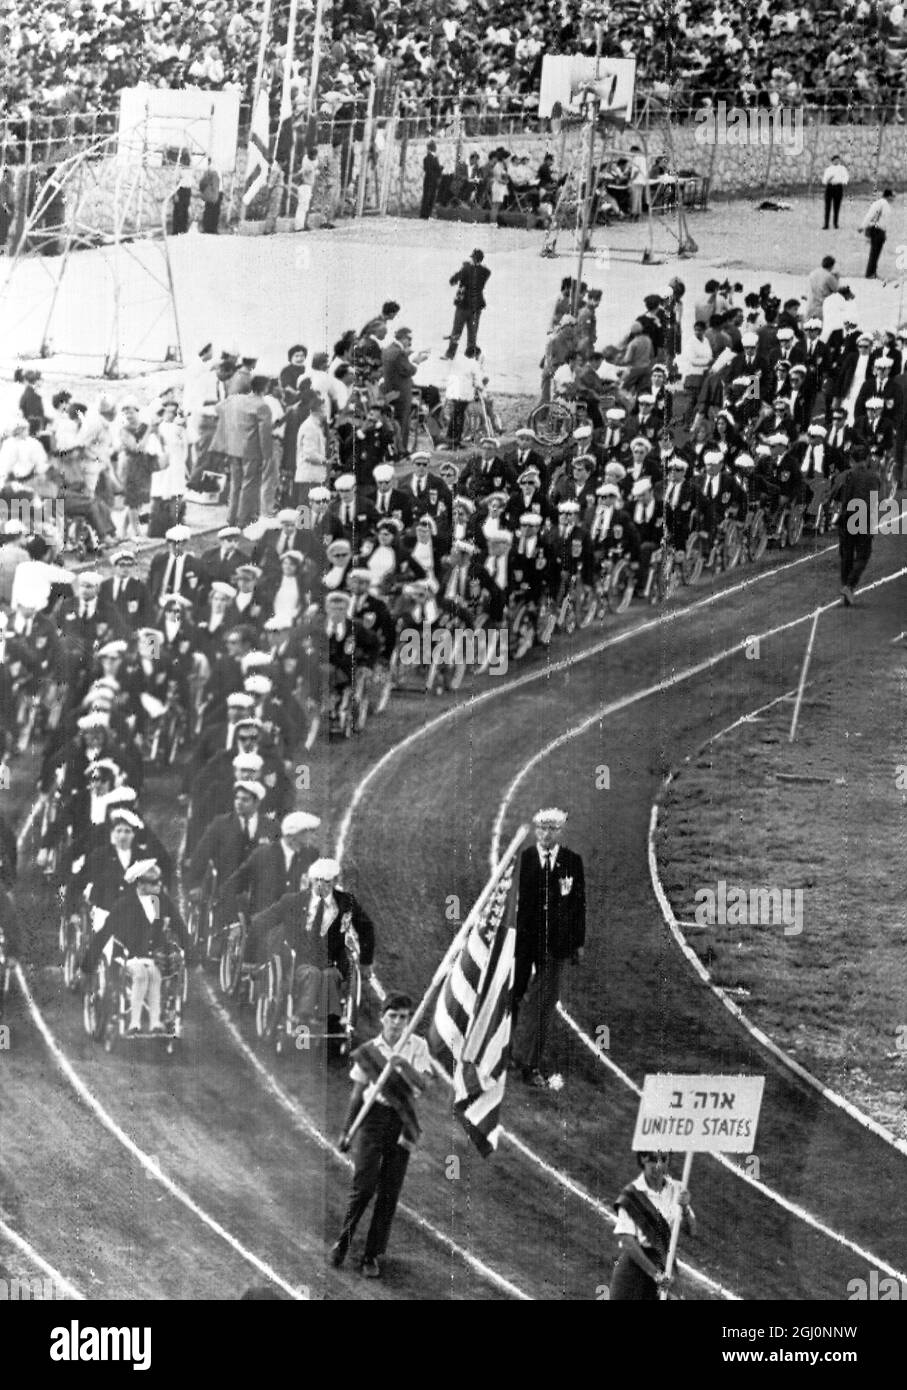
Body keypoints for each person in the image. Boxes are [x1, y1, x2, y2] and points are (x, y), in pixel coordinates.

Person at [331, 991, 434, 1277]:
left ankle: (371, 1255)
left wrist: (401, 1064)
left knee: (389, 1192)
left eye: (404, 1017)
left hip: (401, 1120)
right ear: (382, 1018)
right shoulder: (369, 1052)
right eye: (393, 1016)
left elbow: (423, 1085)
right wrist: (347, 1132)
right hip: (373, 1119)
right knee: (364, 1186)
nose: (399, 1023)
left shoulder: (417, 1047)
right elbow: (356, 1094)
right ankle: (344, 1240)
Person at [510, 807, 586, 1088]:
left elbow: (579, 904)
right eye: (541, 828)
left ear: (561, 831)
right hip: (524, 941)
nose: (545, 833)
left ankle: (530, 1063)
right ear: (535, 830)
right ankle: (505, 1052)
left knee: (544, 1003)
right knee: (514, 995)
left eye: (552, 829)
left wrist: (578, 942)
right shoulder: (524, 859)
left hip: (556, 945)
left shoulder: (571, 862)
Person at [611, 1152, 696, 1301]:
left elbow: (692, 1231)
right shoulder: (632, 1194)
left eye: (663, 1160)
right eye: (653, 1160)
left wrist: (685, 1208)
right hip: (636, 1267)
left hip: (665, 1262)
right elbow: (627, 1241)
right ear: (643, 1159)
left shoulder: (677, 1189)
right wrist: (655, 1274)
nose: (658, 1166)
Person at [834, 446, 882, 606]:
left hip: (848, 516)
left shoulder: (848, 475)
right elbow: (875, 503)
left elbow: (844, 498)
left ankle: (845, 588)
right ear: (867, 459)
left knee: (846, 556)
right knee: (863, 555)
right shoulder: (874, 477)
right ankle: (849, 586)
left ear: (852, 460)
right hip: (865, 517)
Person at [445, 249, 491, 358]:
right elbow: (483, 272)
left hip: (463, 305)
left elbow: (452, 281)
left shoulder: (466, 269)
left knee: (456, 331)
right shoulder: (485, 272)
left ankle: (450, 354)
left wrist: (463, 268)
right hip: (477, 307)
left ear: (473, 258)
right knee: (472, 334)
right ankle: (470, 356)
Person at [860, 188, 894, 279]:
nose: (893, 199)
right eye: (892, 197)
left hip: (881, 230)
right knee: (874, 252)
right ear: (889, 196)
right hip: (876, 230)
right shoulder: (880, 204)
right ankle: (869, 273)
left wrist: (884, 233)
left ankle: (873, 272)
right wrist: (863, 226)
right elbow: (870, 215)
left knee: (876, 253)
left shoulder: (885, 204)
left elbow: (885, 221)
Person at [804, 256, 839, 323]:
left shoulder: (813, 273)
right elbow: (836, 290)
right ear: (832, 266)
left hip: (810, 305)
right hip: (822, 307)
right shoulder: (829, 276)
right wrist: (837, 279)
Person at [821, 155, 848, 230]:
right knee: (827, 207)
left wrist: (842, 181)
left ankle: (835, 224)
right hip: (830, 187)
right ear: (832, 161)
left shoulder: (842, 169)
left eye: (838, 160)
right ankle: (826, 224)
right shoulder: (828, 169)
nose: (836, 161)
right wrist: (828, 180)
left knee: (837, 207)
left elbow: (846, 178)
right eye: (835, 160)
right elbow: (824, 180)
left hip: (838, 187)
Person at [420, 140, 442, 220]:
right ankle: (425, 214)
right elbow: (432, 170)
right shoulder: (432, 158)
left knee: (429, 198)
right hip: (431, 181)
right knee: (429, 198)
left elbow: (430, 169)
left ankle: (425, 214)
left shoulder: (428, 158)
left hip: (430, 181)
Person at [199, 161, 222, 234]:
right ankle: (209, 229)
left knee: (212, 211)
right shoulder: (212, 169)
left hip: (216, 192)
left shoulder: (215, 169)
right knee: (212, 211)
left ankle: (210, 228)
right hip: (214, 193)